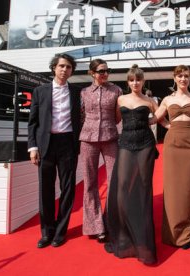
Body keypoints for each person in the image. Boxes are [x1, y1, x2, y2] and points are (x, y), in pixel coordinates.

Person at [104, 64, 158, 265]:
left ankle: (142, 238)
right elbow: (117, 119)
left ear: (143, 81)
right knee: (122, 188)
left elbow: (157, 118)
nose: (135, 83)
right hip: (126, 143)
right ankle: (123, 234)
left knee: (143, 188)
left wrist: (167, 124)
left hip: (145, 144)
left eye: (138, 80)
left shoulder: (150, 101)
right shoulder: (121, 99)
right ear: (128, 82)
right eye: (132, 80)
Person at [28, 53, 81, 248]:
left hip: (68, 143)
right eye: (61, 66)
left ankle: (60, 232)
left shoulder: (77, 92)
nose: (64, 70)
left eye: (68, 67)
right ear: (54, 68)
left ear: (71, 71)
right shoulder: (40, 91)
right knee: (46, 190)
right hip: (45, 145)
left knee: (67, 189)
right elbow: (32, 122)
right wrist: (32, 147)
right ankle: (46, 232)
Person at [154, 65, 190, 249]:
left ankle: (189, 231)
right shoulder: (168, 100)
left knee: (189, 187)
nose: (183, 79)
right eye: (180, 76)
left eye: (186, 76)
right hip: (173, 143)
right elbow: (156, 118)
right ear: (174, 78)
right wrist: (169, 126)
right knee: (172, 186)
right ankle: (172, 232)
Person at [80, 59, 122, 242]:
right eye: (101, 71)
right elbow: (81, 115)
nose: (105, 74)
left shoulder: (116, 90)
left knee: (114, 181)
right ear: (92, 73)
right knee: (90, 182)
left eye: (107, 70)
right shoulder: (83, 92)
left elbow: (118, 117)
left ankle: (111, 221)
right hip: (88, 140)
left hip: (110, 138)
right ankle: (96, 226)